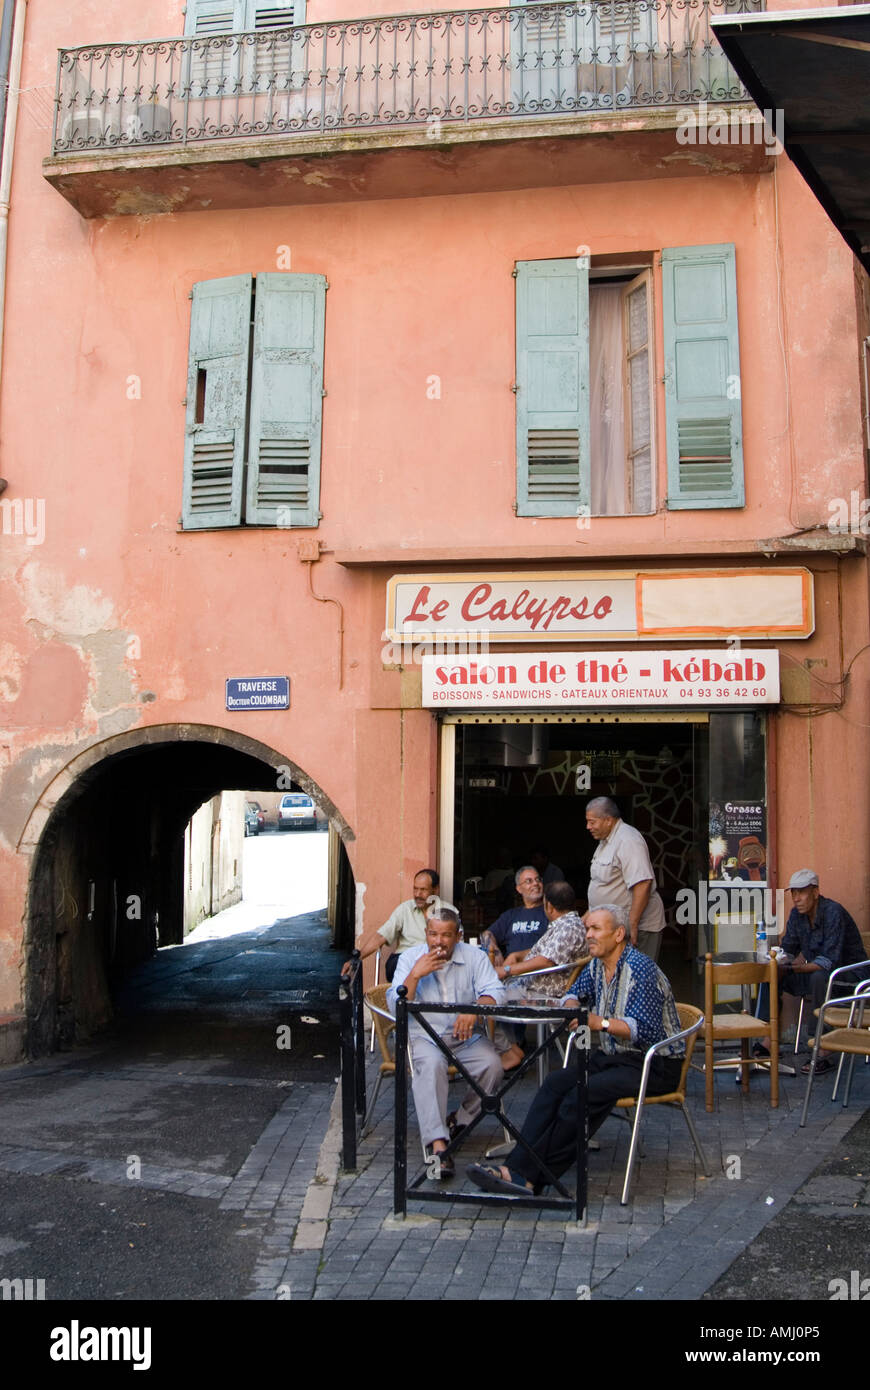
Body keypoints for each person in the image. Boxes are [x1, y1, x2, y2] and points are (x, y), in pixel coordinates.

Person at [466, 903, 685, 1196]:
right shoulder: (596, 964)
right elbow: (574, 992)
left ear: (619, 934)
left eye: (595, 929)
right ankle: (515, 1168)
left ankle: (531, 1176)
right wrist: (571, 1006)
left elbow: (643, 1031)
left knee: (581, 1095)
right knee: (554, 1084)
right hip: (616, 1057)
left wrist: (600, 1023)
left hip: (653, 1063)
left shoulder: (640, 970)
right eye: (587, 929)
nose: (588, 935)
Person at [388, 908, 504, 1178]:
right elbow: (395, 1006)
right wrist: (414, 976)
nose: (438, 941)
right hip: (423, 1037)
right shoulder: (410, 958)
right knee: (430, 1065)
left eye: (445, 935)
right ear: (426, 934)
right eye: (433, 934)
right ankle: (438, 1146)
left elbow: (497, 991)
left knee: (493, 1065)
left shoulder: (475, 957)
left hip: (463, 1037)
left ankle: (460, 1119)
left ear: (458, 936)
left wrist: (475, 1008)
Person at [762, 869, 867, 1073]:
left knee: (820, 977)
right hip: (818, 974)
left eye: (801, 892)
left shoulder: (833, 912)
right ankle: (768, 1040)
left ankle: (822, 1047)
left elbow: (829, 962)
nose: (796, 898)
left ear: (816, 892)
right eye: (793, 893)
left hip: (852, 977)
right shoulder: (797, 915)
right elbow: (789, 949)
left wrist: (793, 967)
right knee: (773, 973)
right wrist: (778, 960)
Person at [585, 796, 666, 961]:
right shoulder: (605, 841)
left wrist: (633, 925)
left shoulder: (628, 840)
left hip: (637, 928)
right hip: (616, 928)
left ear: (608, 820)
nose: (588, 827)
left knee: (638, 980)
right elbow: (603, 885)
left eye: (592, 822)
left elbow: (643, 883)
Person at [341, 869, 455, 981]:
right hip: (404, 960)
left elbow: (457, 945)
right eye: (415, 889)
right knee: (399, 966)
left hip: (437, 962)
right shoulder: (405, 909)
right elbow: (381, 936)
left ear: (435, 890)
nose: (417, 894)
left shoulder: (450, 912)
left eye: (423, 890)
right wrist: (355, 959)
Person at [495, 880, 587, 1001]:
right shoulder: (565, 924)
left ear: (549, 906)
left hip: (540, 995)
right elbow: (549, 952)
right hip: (526, 987)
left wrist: (506, 970)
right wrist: (518, 955)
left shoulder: (569, 927)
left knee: (489, 996)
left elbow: (546, 961)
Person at [482, 866, 548, 963]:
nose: (536, 884)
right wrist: (495, 951)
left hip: (538, 970)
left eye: (538, 879)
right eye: (529, 881)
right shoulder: (511, 915)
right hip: (509, 972)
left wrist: (516, 957)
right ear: (519, 889)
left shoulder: (550, 912)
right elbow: (487, 934)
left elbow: (554, 948)